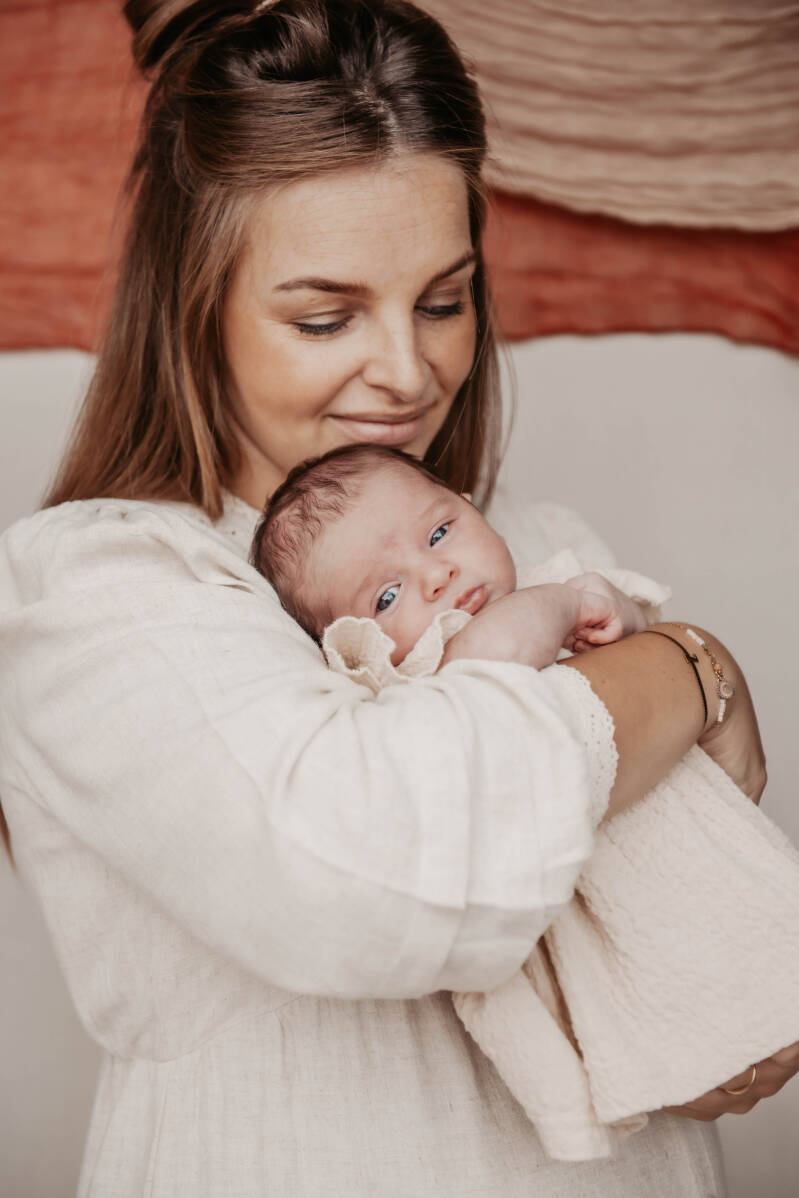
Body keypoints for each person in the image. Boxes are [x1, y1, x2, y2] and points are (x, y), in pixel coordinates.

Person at [0, 1, 796, 1193]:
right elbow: (369, 870)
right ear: (191, 307)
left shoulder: (529, 536)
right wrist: (686, 666)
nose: (409, 371)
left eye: (442, 300)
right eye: (325, 316)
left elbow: (687, 834)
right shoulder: (98, 587)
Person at [250, 440, 799, 1162]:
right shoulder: (422, 672)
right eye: (386, 596)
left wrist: (626, 624)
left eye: (439, 532)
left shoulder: (549, 568)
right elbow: (493, 670)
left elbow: (647, 648)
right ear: (349, 645)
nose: (438, 575)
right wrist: (573, 606)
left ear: (469, 506)